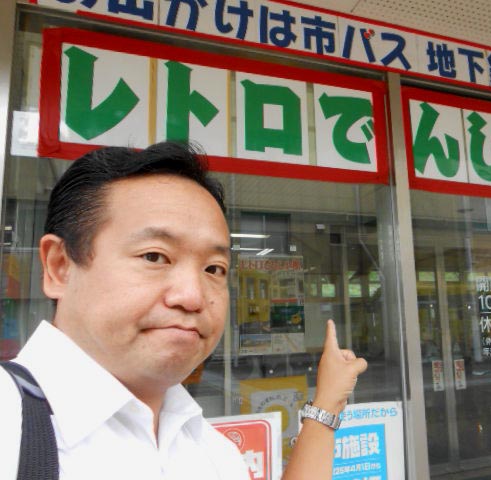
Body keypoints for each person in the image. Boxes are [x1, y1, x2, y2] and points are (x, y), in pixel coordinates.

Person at [0, 142, 367, 479]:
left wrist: (328, 400)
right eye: (154, 256)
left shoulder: (213, 451)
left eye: (214, 269)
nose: (192, 297)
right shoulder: (10, 425)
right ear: (60, 267)